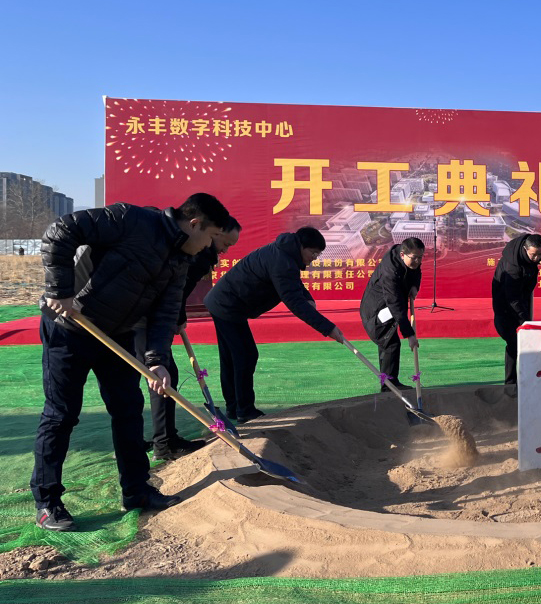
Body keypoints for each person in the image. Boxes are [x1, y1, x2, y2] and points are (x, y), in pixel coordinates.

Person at [32, 193, 231, 531]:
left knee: (127, 410)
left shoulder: (181, 259)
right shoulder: (130, 220)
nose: (210, 246)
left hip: (118, 335)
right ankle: (47, 502)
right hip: (70, 327)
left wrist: (156, 361)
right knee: (61, 415)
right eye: (211, 236)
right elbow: (61, 231)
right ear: (195, 224)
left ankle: (136, 491)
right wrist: (60, 291)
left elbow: (165, 313)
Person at [205, 226, 344, 423]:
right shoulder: (283, 261)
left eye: (317, 255)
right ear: (302, 246)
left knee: (233, 357)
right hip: (227, 305)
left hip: (225, 303)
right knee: (245, 356)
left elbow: (294, 284)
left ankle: (234, 408)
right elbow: (293, 301)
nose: (314, 258)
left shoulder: (285, 253)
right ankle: (244, 410)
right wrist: (328, 328)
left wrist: (307, 298)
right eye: (313, 253)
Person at [134, 216, 242, 461]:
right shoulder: (197, 256)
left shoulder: (193, 251)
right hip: (142, 316)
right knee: (160, 375)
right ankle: (164, 443)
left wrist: (177, 315)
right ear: (213, 233)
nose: (225, 251)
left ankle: (157, 439)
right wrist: (176, 315)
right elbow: (176, 290)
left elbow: (177, 292)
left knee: (159, 374)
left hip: (147, 314)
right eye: (225, 243)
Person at [359, 237, 424, 392]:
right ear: (402, 255)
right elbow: (395, 305)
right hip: (376, 312)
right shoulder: (390, 272)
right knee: (390, 344)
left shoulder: (409, 256)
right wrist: (410, 335)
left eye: (420, 257)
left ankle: (388, 384)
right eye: (414, 258)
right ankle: (388, 386)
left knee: (389, 344)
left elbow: (416, 271)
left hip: (389, 306)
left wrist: (414, 286)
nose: (417, 261)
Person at [491, 234, 541, 389]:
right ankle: (511, 385)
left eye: (540, 254)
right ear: (524, 249)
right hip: (505, 307)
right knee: (514, 343)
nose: (537, 258)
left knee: (526, 343)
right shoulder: (513, 267)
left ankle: (528, 381)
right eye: (533, 254)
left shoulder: (530, 259)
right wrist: (525, 321)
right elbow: (512, 298)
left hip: (521, 303)